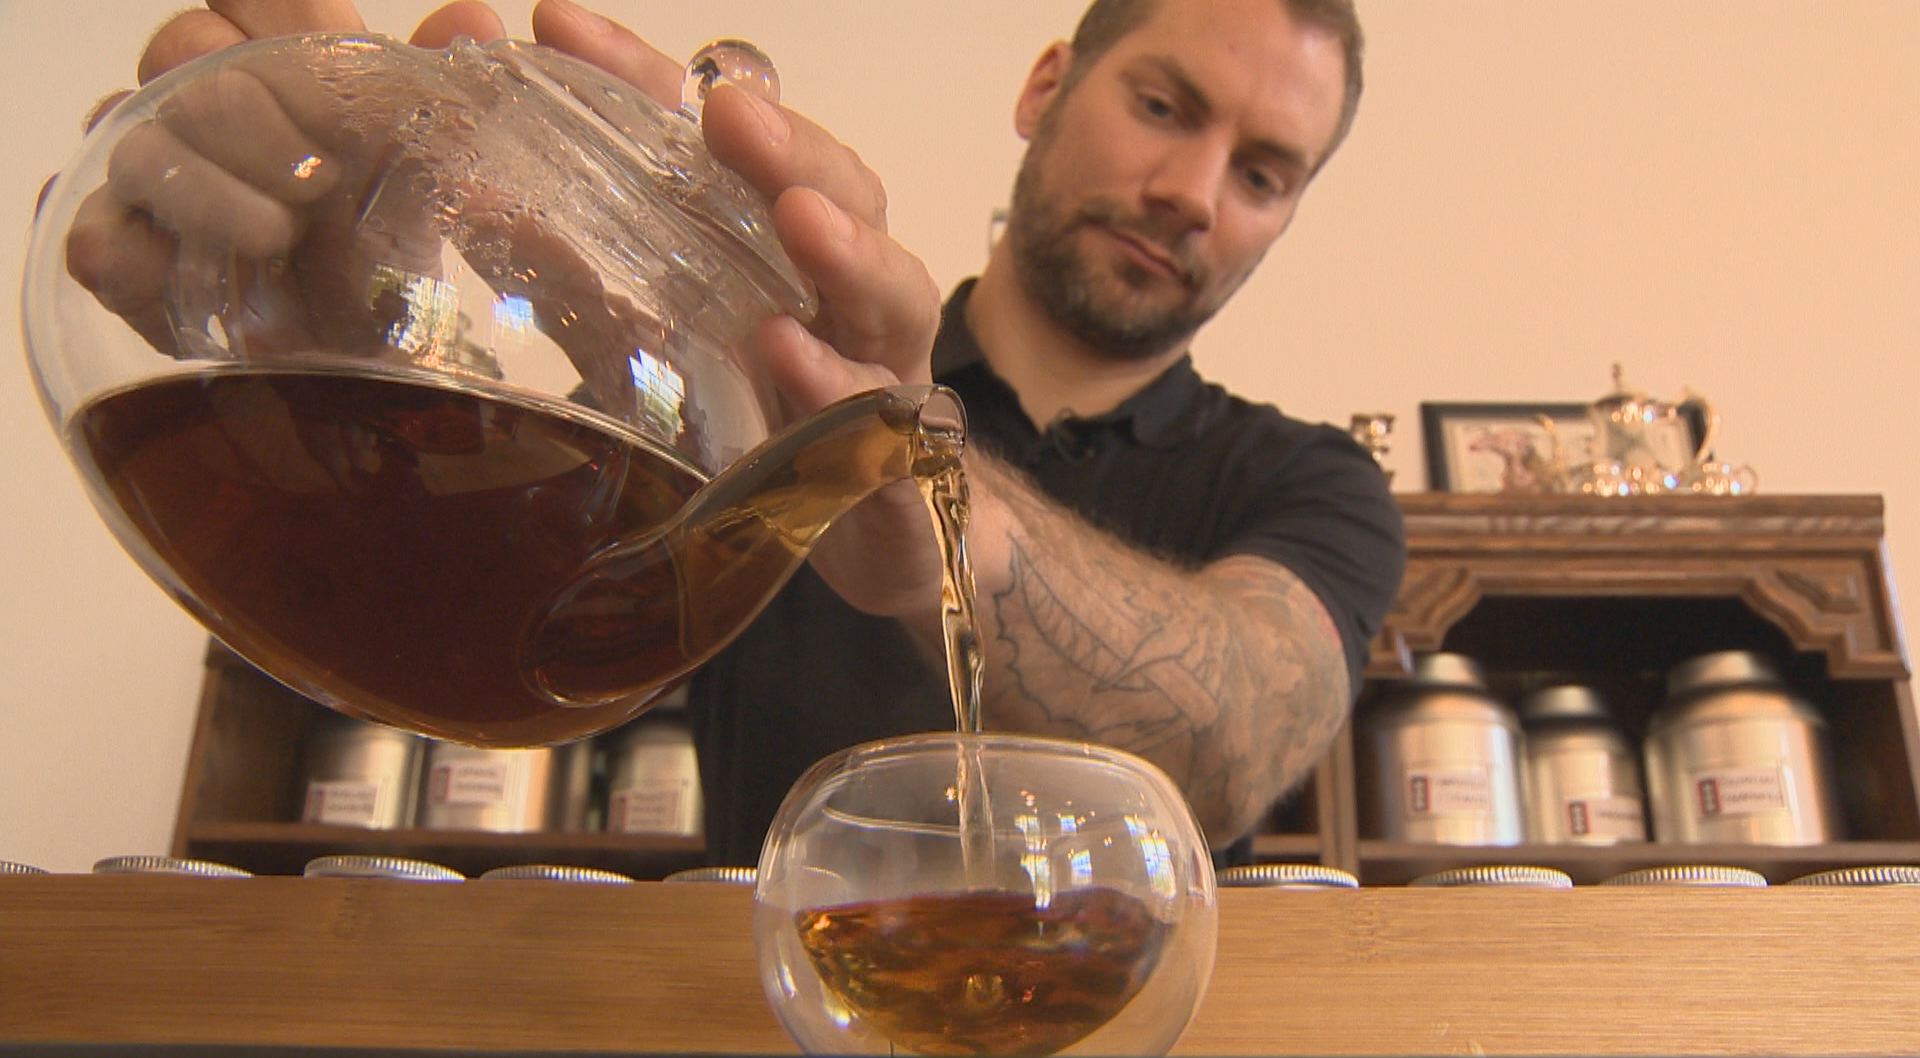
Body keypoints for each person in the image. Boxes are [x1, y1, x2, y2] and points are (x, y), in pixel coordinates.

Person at [111, 0, 1405, 865]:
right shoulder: (738, 388)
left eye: (1262, 173)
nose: (1192, 193)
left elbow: (1231, 742)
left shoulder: (1315, 483)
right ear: (1046, 86)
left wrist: (921, 500)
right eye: (1166, 107)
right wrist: (351, 347)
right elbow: (481, 651)